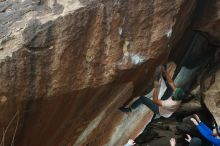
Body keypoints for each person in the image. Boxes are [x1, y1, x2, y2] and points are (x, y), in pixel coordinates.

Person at [119, 68, 185, 118]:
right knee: (170, 87)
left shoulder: (169, 103)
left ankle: (129, 110)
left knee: (143, 99)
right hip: (167, 106)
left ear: (174, 97)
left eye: (174, 93)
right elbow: (171, 83)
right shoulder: (179, 95)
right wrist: (165, 73)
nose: (174, 92)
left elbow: (155, 100)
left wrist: (156, 87)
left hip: (161, 111)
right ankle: (163, 77)